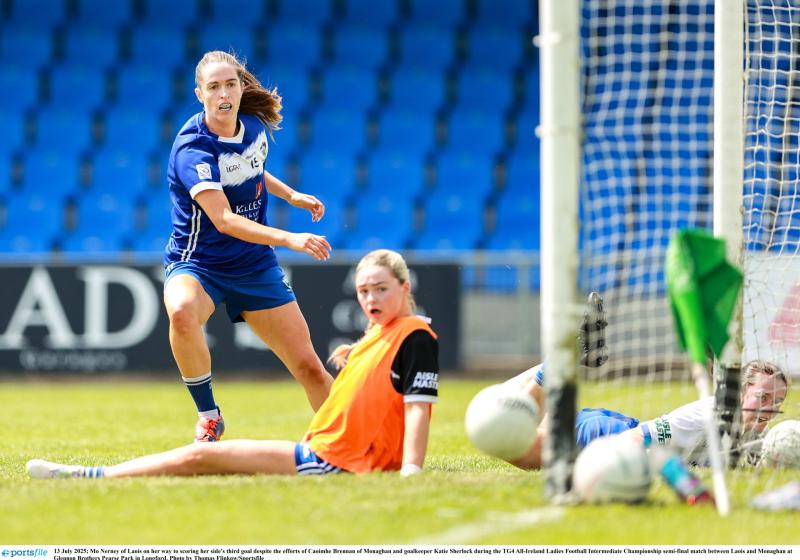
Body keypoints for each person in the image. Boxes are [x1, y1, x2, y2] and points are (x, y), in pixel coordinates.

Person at [26, 250, 439, 480]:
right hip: (332, 454)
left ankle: (89, 476)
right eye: (365, 290)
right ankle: (89, 475)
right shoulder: (376, 337)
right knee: (211, 461)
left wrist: (411, 471)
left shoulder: (414, 334)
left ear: (405, 289)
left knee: (202, 458)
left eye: (381, 289)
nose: (371, 299)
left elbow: (418, 409)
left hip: (338, 461)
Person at [163, 50, 335, 442]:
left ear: (241, 87)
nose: (223, 93)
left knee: (309, 367)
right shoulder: (193, 149)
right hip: (198, 262)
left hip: (253, 264)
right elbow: (223, 220)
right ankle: (209, 415)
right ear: (199, 94)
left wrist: (291, 195)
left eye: (230, 84)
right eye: (213, 87)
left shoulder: (253, 126)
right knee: (182, 312)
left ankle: (350, 445)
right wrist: (289, 237)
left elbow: (250, 166)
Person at [498, 295, 790, 470]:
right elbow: (638, 438)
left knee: (501, 407)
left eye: (776, 402)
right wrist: (594, 466)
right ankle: (564, 359)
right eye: (762, 397)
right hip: (606, 435)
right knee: (506, 438)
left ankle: (568, 359)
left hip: (612, 423)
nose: (769, 408)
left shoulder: (755, 439)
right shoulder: (706, 415)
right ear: (740, 393)